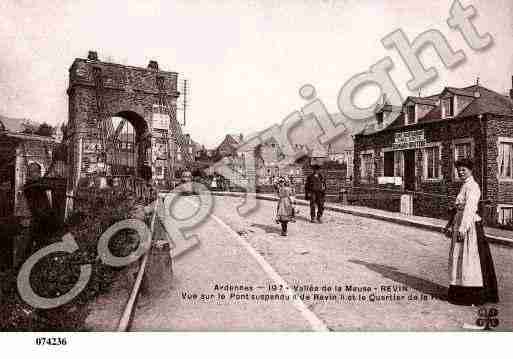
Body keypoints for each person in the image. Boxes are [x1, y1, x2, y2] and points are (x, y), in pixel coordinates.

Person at [443, 158, 499, 306]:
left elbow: (470, 209)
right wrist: (449, 224)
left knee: (470, 259)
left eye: (464, 170)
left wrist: (462, 228)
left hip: (469, 227)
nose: (461, 172)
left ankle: (472, 295)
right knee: (459, 258)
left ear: (470, 170)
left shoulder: (473, 187)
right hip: (459, 223)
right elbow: (458, 209)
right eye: (459, 170)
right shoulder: (464, 186)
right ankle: (459, 290)